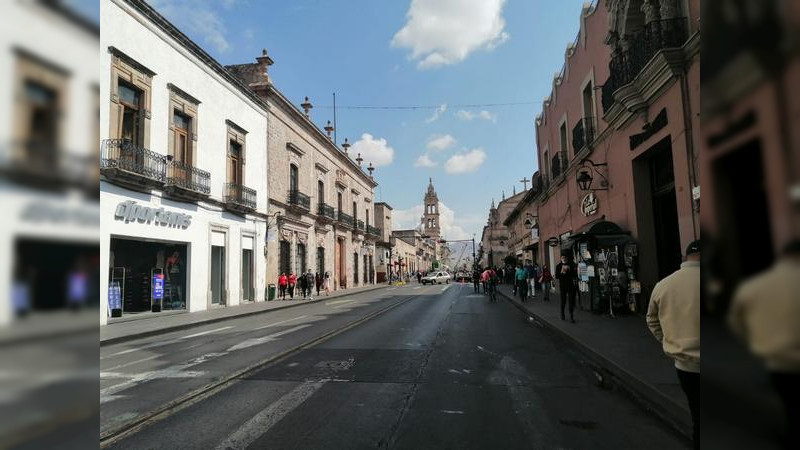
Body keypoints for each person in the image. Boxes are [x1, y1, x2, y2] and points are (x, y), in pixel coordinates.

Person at [728, 240, 800, 450]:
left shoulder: (754, 286)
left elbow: (736, 322)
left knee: (790, 403)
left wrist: (756, 340)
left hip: (776, 358)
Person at [647, 240, 701, 450]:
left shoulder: (664, 285)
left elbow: (651, 319)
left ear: (685, 256)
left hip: (685, 366)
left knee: (699, 417)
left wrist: (668, 341)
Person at [555, 254, 577, 322]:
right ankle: (562, 313)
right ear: (561, 258)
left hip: (570, 286)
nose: (564, 259)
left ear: (567, 258)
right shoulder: (558, 266)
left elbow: (574, 275)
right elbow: (557, 276)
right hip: (563, 286)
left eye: (565, 257)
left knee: (571, 301)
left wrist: (570, 270)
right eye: (562, 257)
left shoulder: (571, 265)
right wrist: (562, 272)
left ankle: (571, 316)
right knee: (563, 301)